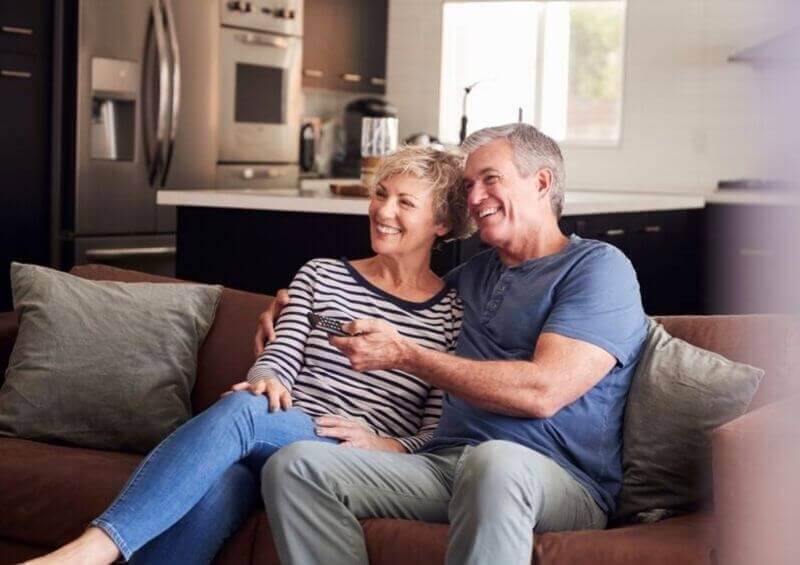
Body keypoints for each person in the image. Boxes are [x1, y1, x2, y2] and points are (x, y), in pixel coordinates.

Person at [27, 146, 472, 565]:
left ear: (441, 224)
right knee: (225, 476)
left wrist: (387, 445)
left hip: (347, 454)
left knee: (241, 413)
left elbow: (437, 429)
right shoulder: (321, 274)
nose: (383, 210)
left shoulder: (452, 315)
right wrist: (269, 379)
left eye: (405, 203)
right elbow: (279, 354)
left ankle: (92, 549)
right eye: (380, 194)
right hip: (283, 423)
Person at [257, 123, 649, 565]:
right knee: (295, 466)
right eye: (468, 185)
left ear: (542, 182)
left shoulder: (598, 268)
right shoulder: (469, 279)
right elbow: (385, 311)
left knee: (495, 463)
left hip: (558, 480)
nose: (475, 197)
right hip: (444, 466)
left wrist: (407, 354)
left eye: (490, 180)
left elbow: (543, 392)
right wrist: (294, 309)